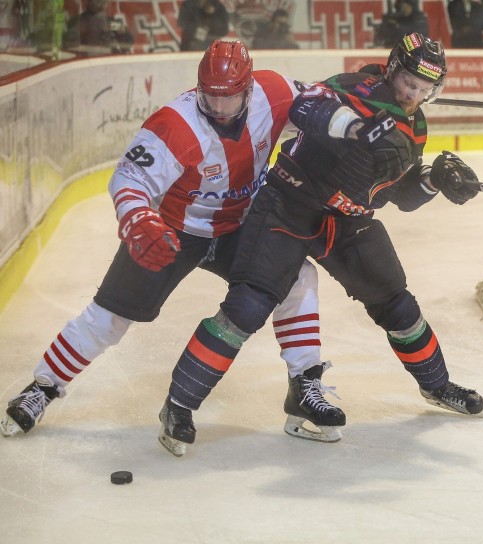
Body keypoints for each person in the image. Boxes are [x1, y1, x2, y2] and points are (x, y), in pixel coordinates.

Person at [158, 32, 483, 454]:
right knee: (248, 305)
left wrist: (434, 181)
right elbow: (304, 106)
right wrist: (360, 129)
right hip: (288, 205)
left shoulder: (416, 125)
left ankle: (437, 386)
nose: (412, 94)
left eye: (423, 90)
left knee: (397, 303)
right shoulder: (354, 88)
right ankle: (178, 406)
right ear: (392, 69)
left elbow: (397, 197)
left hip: (347, 222)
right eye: (408, 82)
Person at [1, 41, 325, 451]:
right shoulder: (175, 123)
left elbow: (322, 103)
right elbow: (129, 180)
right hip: (174, 232)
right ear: (198, 88)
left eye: (230, 97)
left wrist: (362, 106)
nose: (220, 108)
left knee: (297, 275)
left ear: (248, 87)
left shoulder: (275, 91)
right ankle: (43, 387)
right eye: (211, 96)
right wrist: (139, 219)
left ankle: (306, 382)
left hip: (240, 226)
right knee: (110, 316)